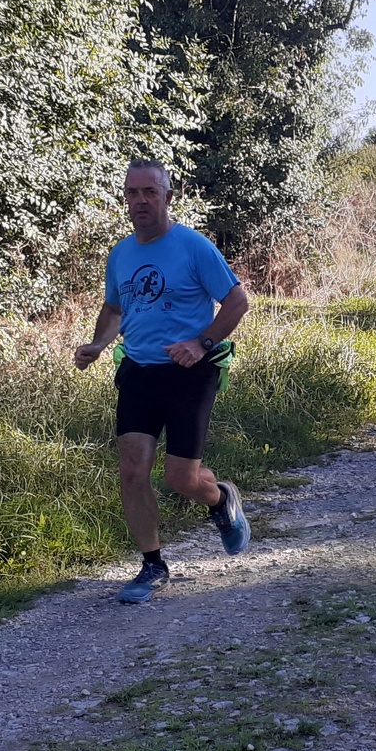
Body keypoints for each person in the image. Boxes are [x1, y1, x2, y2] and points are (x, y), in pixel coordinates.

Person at [74, 160, 253, 604]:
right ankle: (152, 564)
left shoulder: (193, 247)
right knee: (132, 470)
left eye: (149, 192)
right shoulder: (121, 254)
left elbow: (237, 300)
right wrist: (98, 344)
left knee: (181, 478)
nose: (140, 201)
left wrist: (201, 342)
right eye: (132, 193)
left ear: (168, 197)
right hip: (138, 369)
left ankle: (220, 498)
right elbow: (114, 309)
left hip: (190, 372)